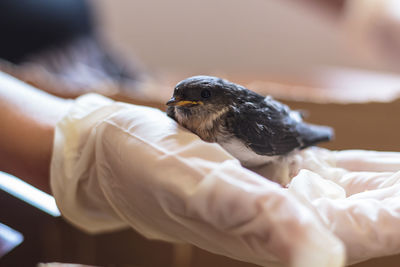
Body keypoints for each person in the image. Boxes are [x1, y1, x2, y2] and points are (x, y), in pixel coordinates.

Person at [3, 71, 400, 267]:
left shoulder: (239, 120)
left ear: (218, 99)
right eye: (177, 98)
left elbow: (283, 133)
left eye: (199, 97)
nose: (180, 104)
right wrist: (87, 146)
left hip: (283, 136)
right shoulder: (180, 111)